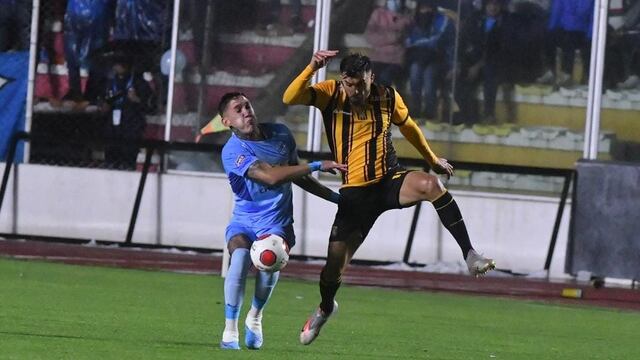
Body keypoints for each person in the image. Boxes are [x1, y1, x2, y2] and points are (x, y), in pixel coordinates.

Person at [282, 51, 495, 345]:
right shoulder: (330, 93)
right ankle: (325, 307)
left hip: (389, 180)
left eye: (359, 84)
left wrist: (431, 159)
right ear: (342, 80)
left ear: (372, 78)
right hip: (354, 195)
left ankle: (470, 254)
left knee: (430, 184)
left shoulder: (387, 97)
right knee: (333, 268)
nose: (354, 91)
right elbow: (289, 98)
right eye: (349, 83)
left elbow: (409, 126)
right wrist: (312, 67)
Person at [218, 92, 347, 350]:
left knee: (269, 259)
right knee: (241, 258)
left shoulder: (280, 134)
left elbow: (296, 175)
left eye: (247, 105)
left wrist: (336, 199)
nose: (246, 111)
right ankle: (230, 329)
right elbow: (272, 177)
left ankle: (255, 316)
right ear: (227, 122)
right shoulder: (232, 151)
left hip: (277, 221)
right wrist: (317, 165)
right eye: (237, 109)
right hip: (244, 220)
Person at [101, 53, 155, 169]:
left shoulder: (139, 82)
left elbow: (151, 107)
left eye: (121, 63)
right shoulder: (109, 83)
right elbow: (101, 102)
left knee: (128, 163)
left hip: (131, 128)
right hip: (112, 129)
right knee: (110, 162)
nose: (118, 66)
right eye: (116, 64)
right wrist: (104, 106)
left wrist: (137, 99)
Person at [404, 0, 455, 121]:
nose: (425, 11)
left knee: (429, 75)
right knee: (414, 71)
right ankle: (416, 108)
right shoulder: (414, 21)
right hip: (419, 58)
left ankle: (429, 111)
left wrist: (452, 66)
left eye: (428, 8)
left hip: (439, 59)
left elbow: (443, 42)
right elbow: (409, 41)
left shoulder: (444, 21)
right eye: (422, 8)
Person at [363, 0, 411, 88]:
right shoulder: (378, 14)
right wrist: (389, 38)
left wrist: (394, 37)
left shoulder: (406, 15)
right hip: (377, 57)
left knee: (384, 79)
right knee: (369, 79)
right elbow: (369, 36)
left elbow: (405, 36)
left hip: (396, 60)